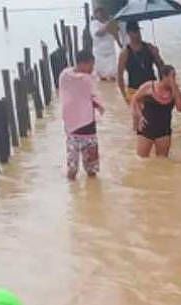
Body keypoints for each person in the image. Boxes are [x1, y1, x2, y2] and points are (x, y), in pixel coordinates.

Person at [59, 50, 105, 180]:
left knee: (89, 169)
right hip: (77, 127)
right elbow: (93, 96)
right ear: (82, 64)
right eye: (91, 65)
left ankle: (84, 191)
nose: (92, 68)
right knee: (75, 169)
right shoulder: (83, 78)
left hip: (84, 126)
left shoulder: (65, 75)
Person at [131, 65, 181, 158]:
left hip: (164, 131)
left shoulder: (174, 91)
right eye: (172, 76)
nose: (174, 79)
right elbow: (134, 100)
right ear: (164, 76)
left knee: (162, 161)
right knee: (141, 160)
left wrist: (175, 87)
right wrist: (139, 117)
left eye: (174, 76)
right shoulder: (149, 86)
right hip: (146, 128)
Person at [117, 21, 163, 103]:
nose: (138, 34)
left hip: (151, 88)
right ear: (128, 33)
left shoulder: (149, 47)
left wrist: (157, 55)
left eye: (138, 30)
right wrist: (125, 96)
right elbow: (120, 76)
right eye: (134, 31)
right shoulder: (125, 53)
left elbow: (161, 67)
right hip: (134, 90)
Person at [92, 8, 120, 81]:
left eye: (101, 12)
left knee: (113, 75)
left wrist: (120, 44)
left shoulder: (109, 23)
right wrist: (109, 24)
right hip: (99, 53)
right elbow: (99, 33)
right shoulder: (94, 23)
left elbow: (116, 33)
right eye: (98, 13)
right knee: (101, 76)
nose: (100, 14)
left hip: (110, 52)